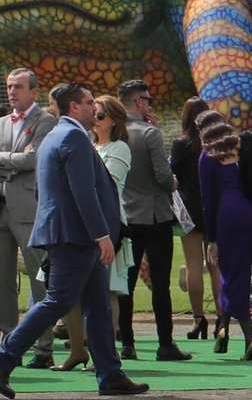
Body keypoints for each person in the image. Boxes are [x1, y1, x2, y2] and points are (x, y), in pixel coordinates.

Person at [0, 82, 148, 397]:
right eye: (89, 102)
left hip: (69, 234)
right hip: (77, 237)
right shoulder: (73, 137)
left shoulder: (56, 136)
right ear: (74, 107)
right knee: (58, 300)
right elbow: (84, 192)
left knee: (98, 306)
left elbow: (44, 190)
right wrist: (101, 235)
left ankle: (110, 374)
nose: (94, 108)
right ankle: (2, 356)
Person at [0, 69, 57, 366]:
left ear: (34, 91)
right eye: (10, 86)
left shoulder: (45, 120)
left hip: (28, 210)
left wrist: (1, 158)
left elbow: (34, 159)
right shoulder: (0, 122)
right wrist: (11, 161)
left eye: (18, 87)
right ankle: (8, 345)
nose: (12, 91)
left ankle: (44, 348)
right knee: (2, 282)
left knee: (39, 281)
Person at [114, 79, 188, 362]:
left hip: (125, 215)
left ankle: (127, 343)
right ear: (139, 101)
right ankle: (165, 343)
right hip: (155, 214)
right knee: (160, 283)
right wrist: (173, 182)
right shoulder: (150, 133)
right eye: (148, 100)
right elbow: (162, 175)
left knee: (126, 282)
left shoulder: (112, 132)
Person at [198, 122, 252, 360]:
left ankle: (251, 337)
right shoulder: (247, 148)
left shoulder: (208, 157)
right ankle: (223, 328)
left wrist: (212, 239)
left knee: (232, 274)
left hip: (229, 214)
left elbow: (208, 201)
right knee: (238, 270)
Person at [170, 100, 223, 340]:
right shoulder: (217, 144)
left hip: (189, 209)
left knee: (193, 265)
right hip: (215, 207)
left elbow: (173, 174)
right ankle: (221, 318)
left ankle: (198, 318)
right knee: (215, 266)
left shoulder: (182, 144)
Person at [93, 96, 135, 342]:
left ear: (114, 120)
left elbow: (109, 183)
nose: (95, 119)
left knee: (109, 287)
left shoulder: (120, 148)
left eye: (100, 115)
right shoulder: (90, 145)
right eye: (93, 114)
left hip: (110, 221)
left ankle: (108, 347)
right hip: (87, 222)